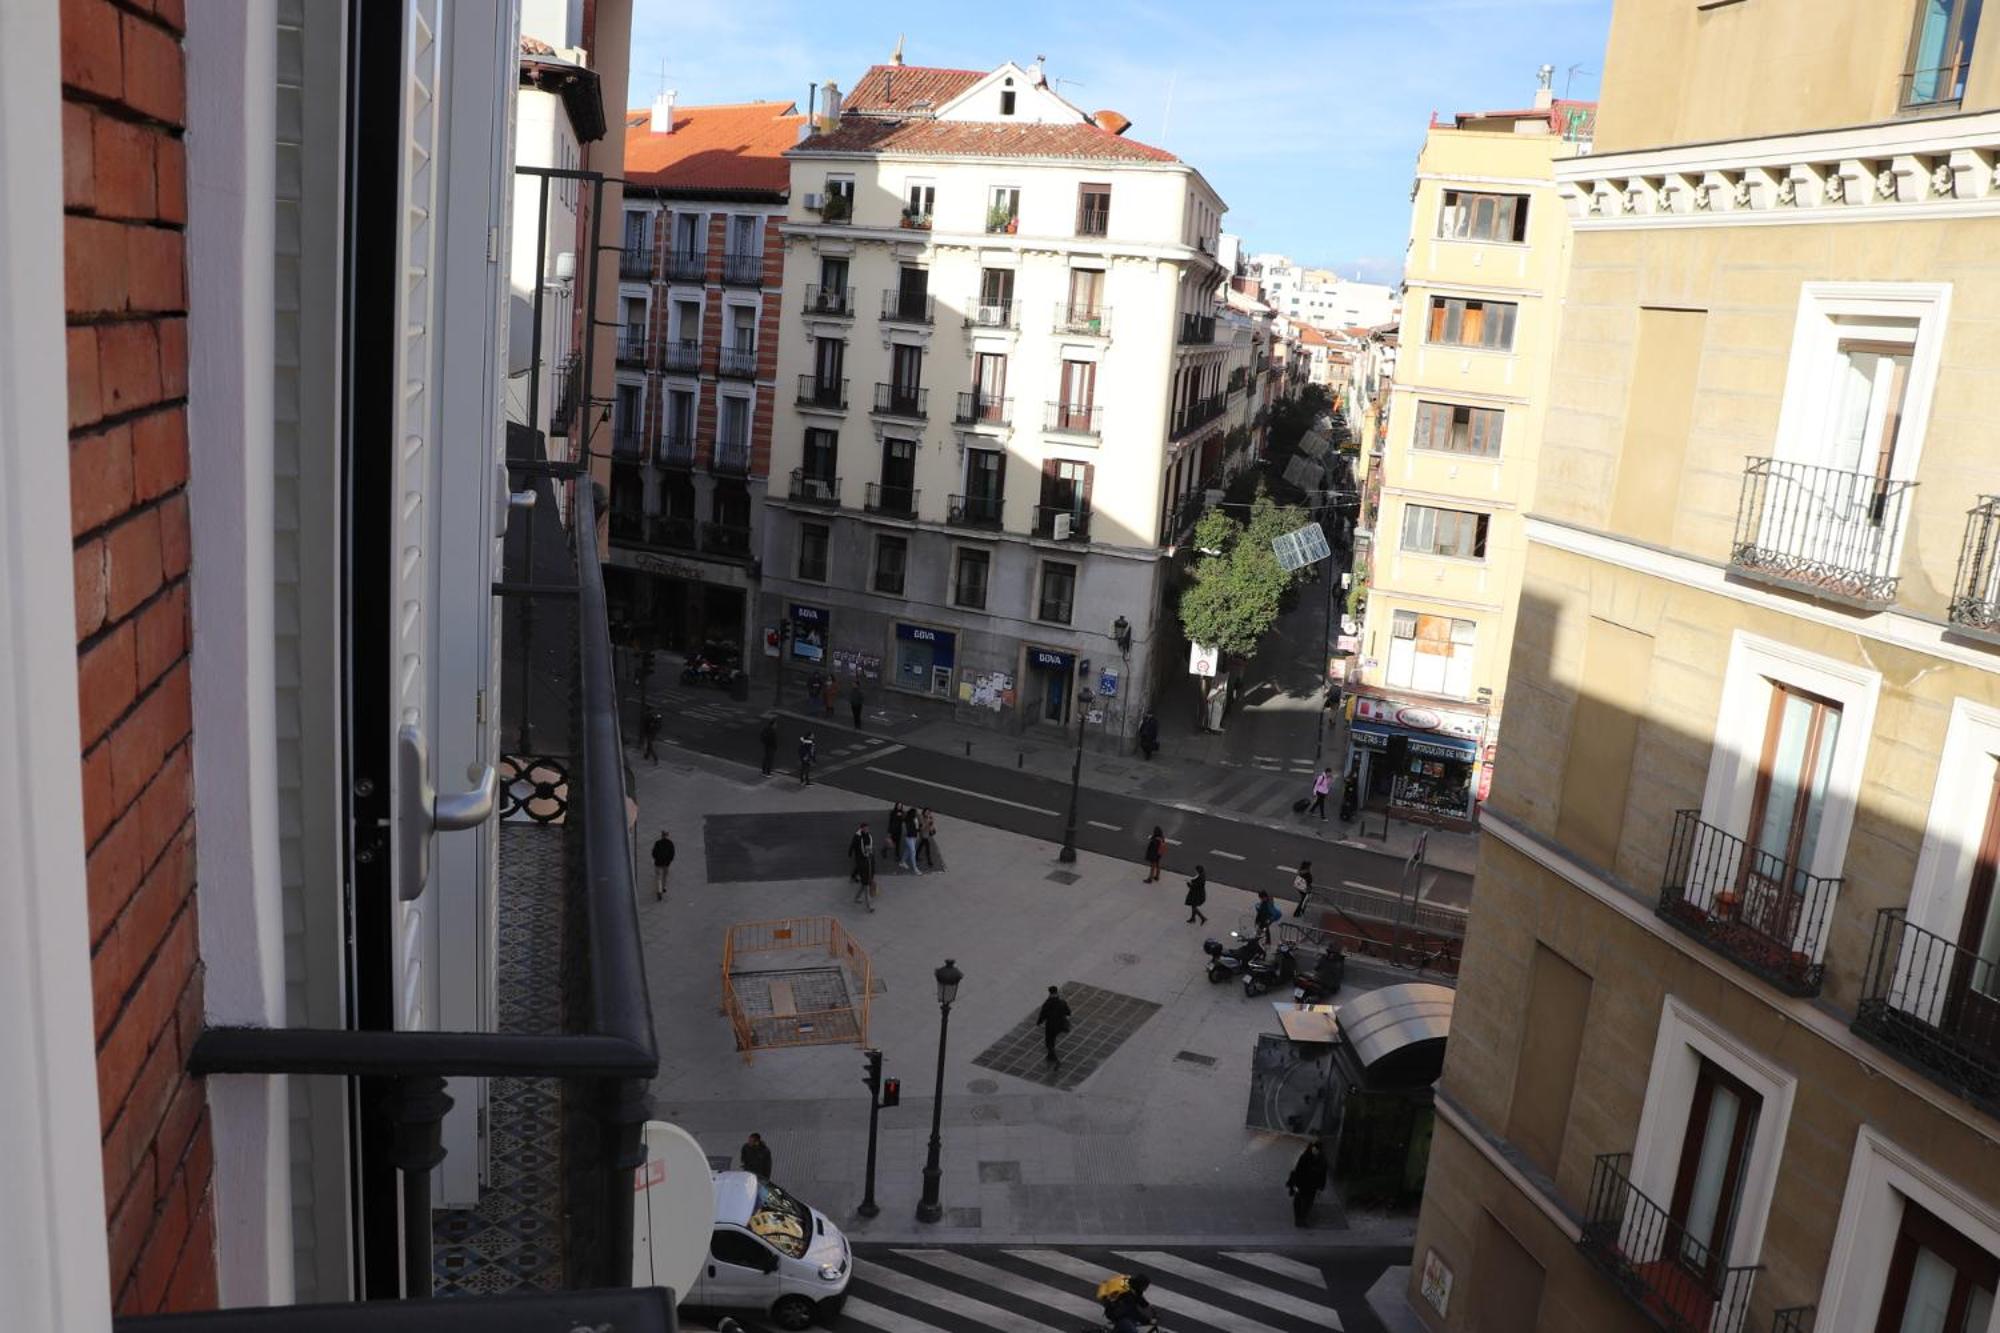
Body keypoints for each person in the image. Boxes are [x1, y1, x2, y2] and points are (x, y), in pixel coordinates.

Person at [1287, 1139, 1329, 1227]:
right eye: (1314, 1148)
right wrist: (1295, 1184)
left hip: (1311, 1185)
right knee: (1299, 1200)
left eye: (1317, 1149)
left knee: (1307, 1202)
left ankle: (1302, 1219)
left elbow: (1323, 1174)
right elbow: (1298, 1171)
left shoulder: (1322, 1160)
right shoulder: (1305, 1157)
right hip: (1302, 1183)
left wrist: (1321, 1186)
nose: (1315, 1151)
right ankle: (1299, 1219)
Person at [1038, 985, 1072, 1065]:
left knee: (1048, 1042)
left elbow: (1043, 1014)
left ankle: (1054, 1058)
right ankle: (1050, 1055)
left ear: (1050, 993)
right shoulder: (1062, 1002)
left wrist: (1039, 1022)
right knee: (1052, 1039)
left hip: (1050, 1026)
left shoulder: (1047, 1003)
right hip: (1060, 1025)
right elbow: (1068, 1012)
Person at [650, 829, 675, 902]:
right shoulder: (670, 843)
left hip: (658, 863)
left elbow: (653, 853)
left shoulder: (658, 843)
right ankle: (663, 887)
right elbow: (672, 853)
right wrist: (669, 860)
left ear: (662, 835)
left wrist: (656, 858)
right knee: (665, 876)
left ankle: (659, 890)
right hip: (666, 864)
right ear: (667, 835)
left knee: (658, 878)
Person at [899, 801, 922, 875]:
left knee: (908, 850)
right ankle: (915, 868)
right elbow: (908, 828)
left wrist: (917, 834)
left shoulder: (915, 818)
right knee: (913, 851)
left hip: (914, 836)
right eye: (916, 812)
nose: (917, 813)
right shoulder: (908, 819)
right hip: (909, 837)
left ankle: (902, 862)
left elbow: (918, 827)